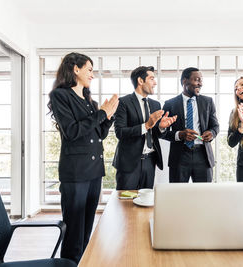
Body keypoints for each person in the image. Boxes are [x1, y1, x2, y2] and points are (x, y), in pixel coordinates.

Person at [47, 52, 119, 264]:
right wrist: (101, 113)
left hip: (94, 171)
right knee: (74, 227)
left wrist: (109, 115)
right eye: (89, 69)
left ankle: (83, 261)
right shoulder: (60, 95)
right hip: (76, 171)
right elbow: (72, 131)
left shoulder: (90, 101)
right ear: (75, 69)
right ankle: (70, 262)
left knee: (87, 226)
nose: (92, 75)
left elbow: (99, 134)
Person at [112, 66, 177, 190]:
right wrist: (146, 125)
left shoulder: (156, 104)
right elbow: (120, 132)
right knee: (125, 203)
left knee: (146, 201)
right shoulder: (123, 102)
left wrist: (161, 128)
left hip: (150, 161)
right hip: (129, 163)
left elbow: (156, 134)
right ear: (140, 81)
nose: (155, 83)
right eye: (151, 79)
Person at [162, 67, 219, 183]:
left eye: (201, 80)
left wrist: (212, 133)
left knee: (204, 195)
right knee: (177, 196)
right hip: (179, 156)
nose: (200, 84)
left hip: (203, 155)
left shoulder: (208, 102)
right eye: (197, 80)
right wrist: (180, 134)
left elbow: (215, 126)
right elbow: (162, 132)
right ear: (184, 81)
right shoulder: (170, 104)